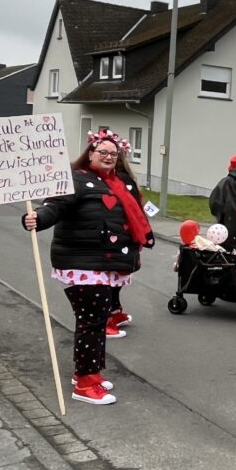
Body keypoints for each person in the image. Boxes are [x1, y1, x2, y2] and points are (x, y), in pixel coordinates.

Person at [21, 130, 154, 406]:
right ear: (90, 153)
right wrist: (38, 218)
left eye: (113, 154)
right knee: (92, 322)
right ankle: (85, 382)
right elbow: (56, 206)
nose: (108, 157)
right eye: (102, 151)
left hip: (105, 263)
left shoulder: (117, 183)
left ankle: (88, 374)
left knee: (95, 321)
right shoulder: (75, 178)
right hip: (83, 263)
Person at [102, 136, 145, 337]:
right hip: (116, 234)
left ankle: (115, 310)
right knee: (111, 276)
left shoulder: (121, 178)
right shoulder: (110, 179)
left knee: (118, 275)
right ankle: (107, 317)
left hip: (125, 234)